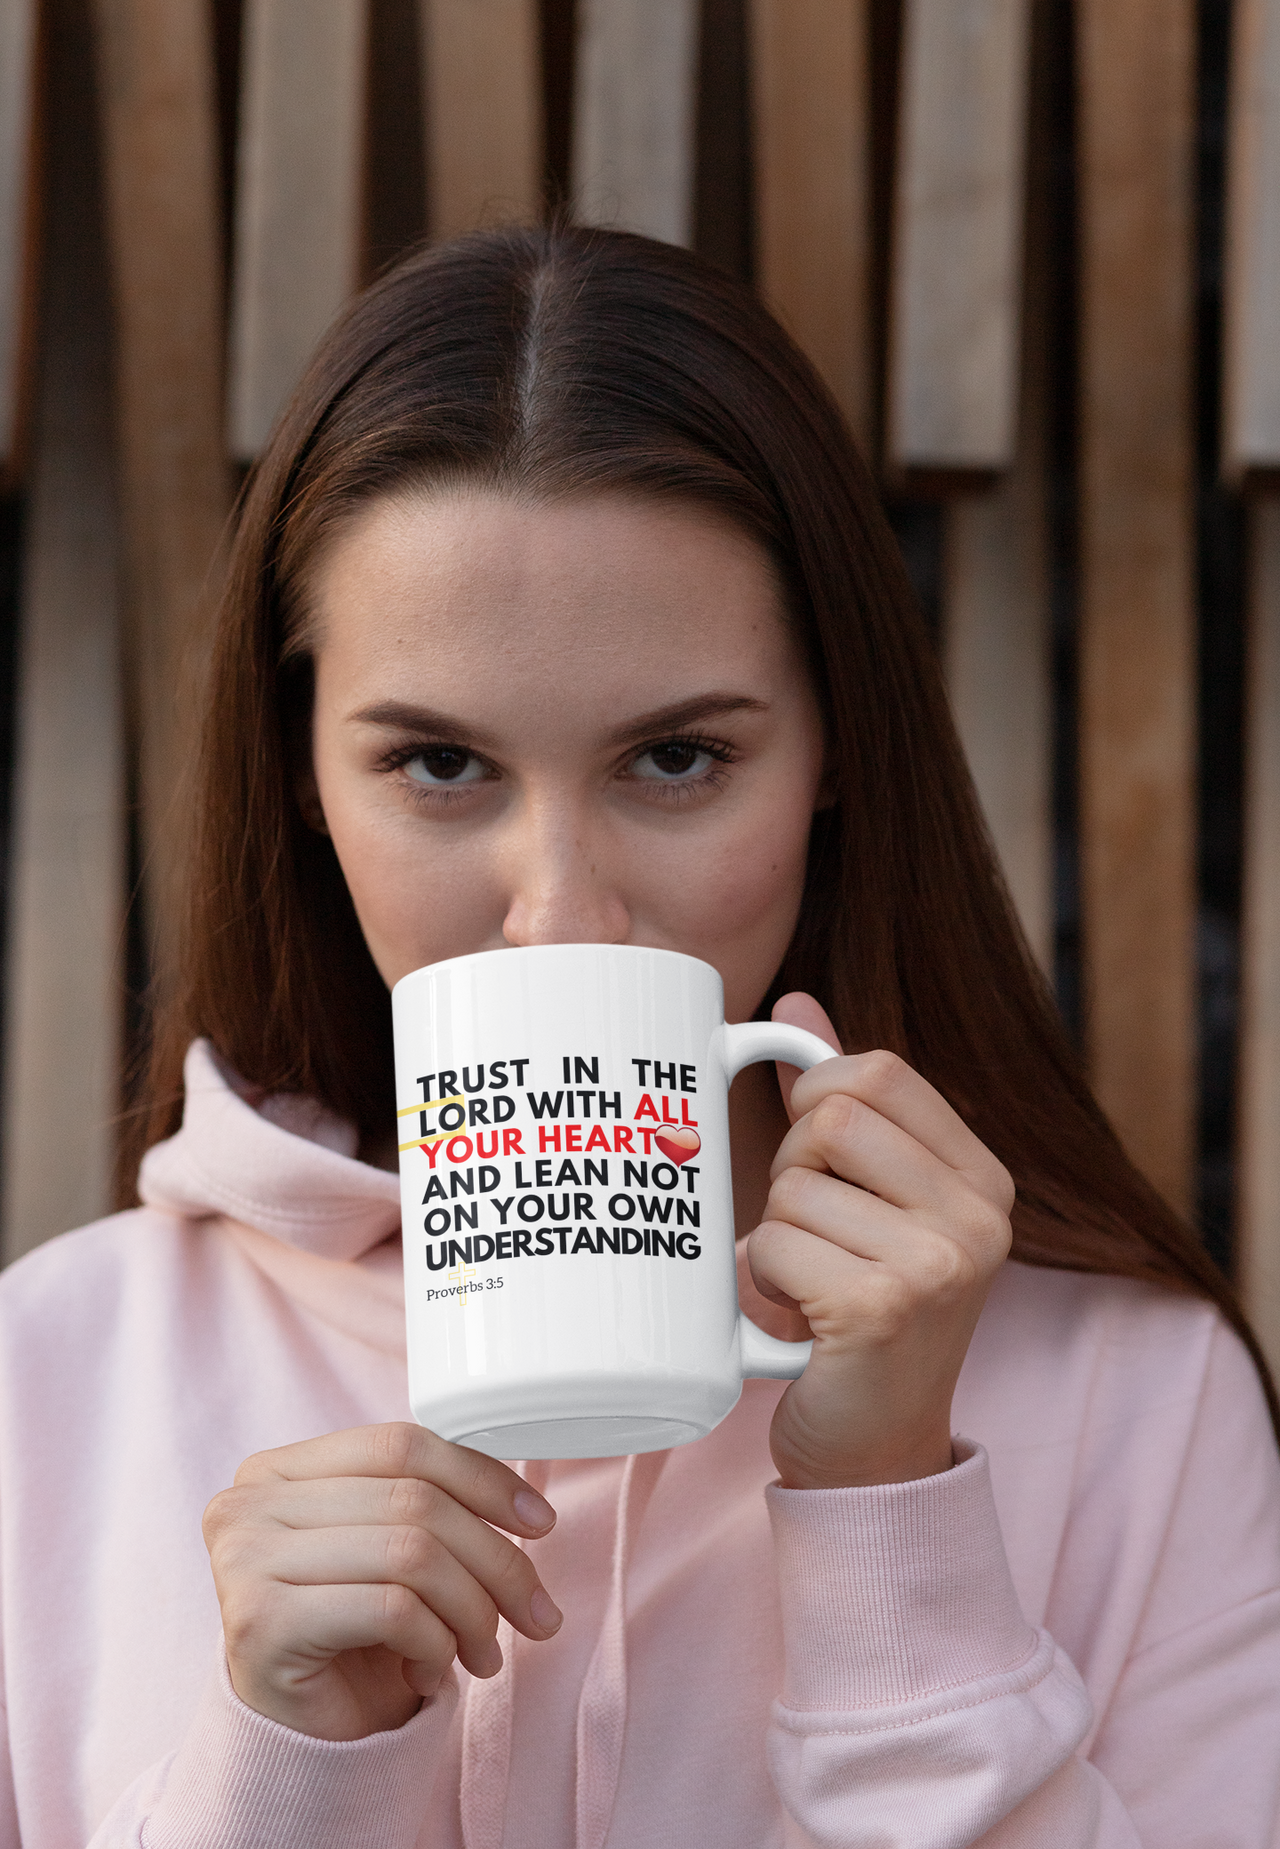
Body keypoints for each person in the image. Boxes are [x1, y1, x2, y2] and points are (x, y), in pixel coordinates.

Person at [1, 224, 1277, 1849]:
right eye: (439, 766)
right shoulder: (49, 1380)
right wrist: (279, 1775)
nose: (559, 914)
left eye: (675, 759)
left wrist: (893, 1514)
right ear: (303, 780)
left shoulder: (1139, 1398)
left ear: (831, 754)